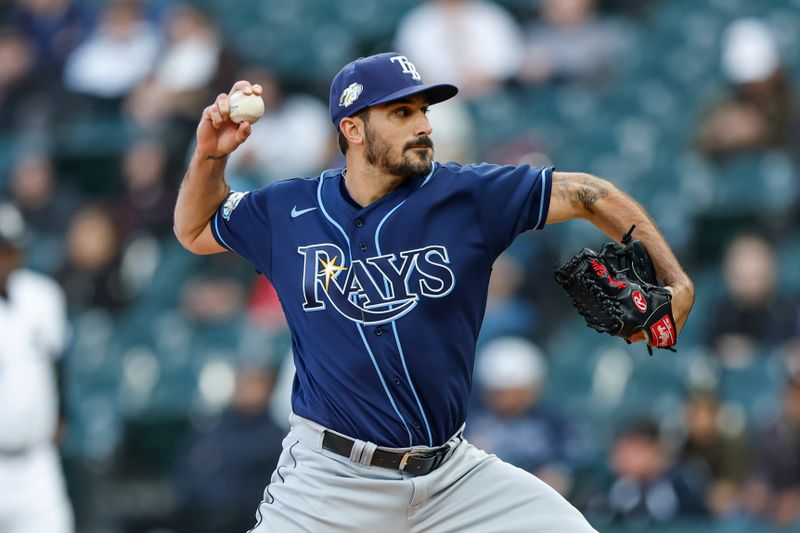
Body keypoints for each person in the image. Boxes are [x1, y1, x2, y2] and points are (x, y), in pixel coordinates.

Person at [173, 52, 695, 532]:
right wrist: (209, 157)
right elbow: (194, 231)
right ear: (352, 128)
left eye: (423, 110)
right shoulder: (288, 211)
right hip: (329, 481)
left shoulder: (465, 196)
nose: (424, 124)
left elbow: (589, 194)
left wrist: (675, 279)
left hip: (453, 478)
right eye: (401, 113)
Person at [0, 203, 73, 533]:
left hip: (37, 464)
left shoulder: (42, 295)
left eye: (9, 248)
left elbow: (58, 361)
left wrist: (62, 413)